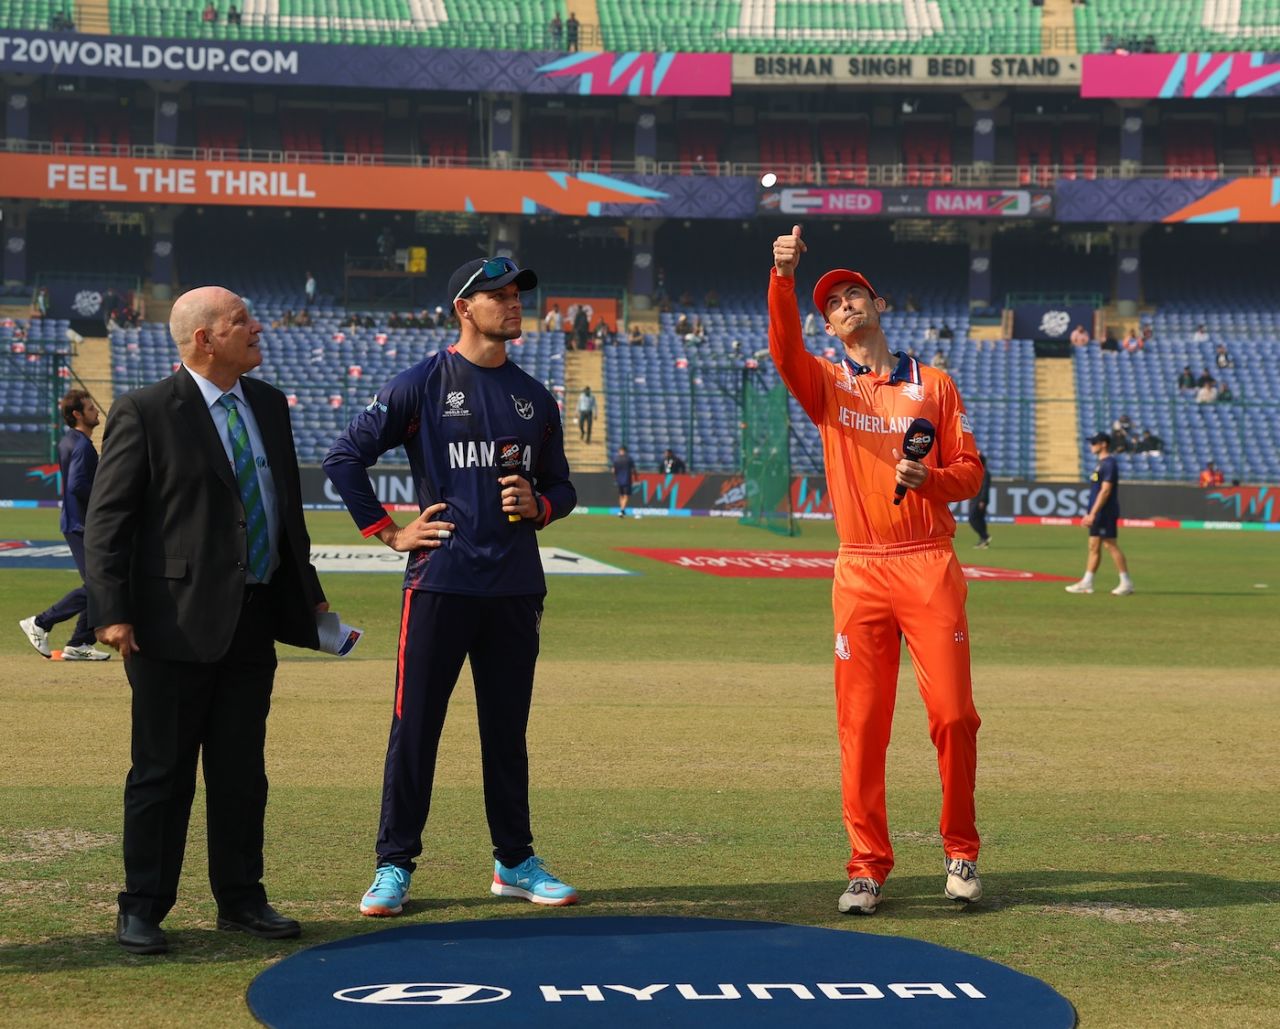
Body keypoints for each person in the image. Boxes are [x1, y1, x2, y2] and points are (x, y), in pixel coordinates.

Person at [323, 256, 579, 917]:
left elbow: (563, 485)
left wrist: (540, 504)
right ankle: (393, 864)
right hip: (439, 583)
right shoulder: (421, 383)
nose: (515, 302)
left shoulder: (535, 396)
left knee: (506, 730)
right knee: (416, 728)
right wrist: (389, 531)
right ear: (464, 307)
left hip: (515, 588)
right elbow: (344, 458)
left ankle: (515, 861)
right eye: (498, 294)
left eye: (518, 292)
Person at [84, 286, 328, 955]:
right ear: (204, 339)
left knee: (241, 771)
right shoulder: (146, 411)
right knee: (161, 772)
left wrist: (308, 592)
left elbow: (284, 514)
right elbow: (108, 523)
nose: (257, 327)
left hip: (253, 618)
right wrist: (112, 611)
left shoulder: (271, 405)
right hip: (171, 624)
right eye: (242, 320)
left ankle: (242, 898)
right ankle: (143, 905)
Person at [768, 224, 984, 916]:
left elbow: (971, 473)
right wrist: (783, 278)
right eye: (832, 303)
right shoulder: (828, 386)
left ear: (879, 304)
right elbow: (781, 348)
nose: (845, 305)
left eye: (854, 295)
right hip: (859, 569)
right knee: (861, 725)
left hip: (927, 564)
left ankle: (961, 850)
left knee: (953, 716)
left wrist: (929, 480)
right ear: (827, 326)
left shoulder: (936, 386)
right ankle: (866, 866)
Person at [18, 391, 111, 662]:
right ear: (77, 415)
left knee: (98, 583)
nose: (97, 411)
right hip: (83, 524)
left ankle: (80, 642)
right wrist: (106, 498)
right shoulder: (82, 446)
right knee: (99, 585)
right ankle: (41, 622)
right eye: (91, 408)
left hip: (76, 521)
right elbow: (78, 485)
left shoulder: (70, 441)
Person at [1065, 432, 1133, 597]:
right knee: (1094, 546)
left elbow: (1105, 490)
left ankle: (1126, 582)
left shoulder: (1109, 464)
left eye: (1094, 442)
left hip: (1105, 512)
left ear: (1103, 444)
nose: (1091, 445)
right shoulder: (1101, 464)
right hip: (1098, 512)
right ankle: (1087, 583)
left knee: (1110, 544)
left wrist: (1093, 513)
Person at [969, 450, 991, 549]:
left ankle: (985, 536)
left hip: (979, 500)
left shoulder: (985, 473)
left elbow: (985, 487)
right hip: (975, 498)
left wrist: (983, 500)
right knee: (979, 519)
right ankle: (984, 539)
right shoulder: (978, 471)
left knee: (972, 518)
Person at [612, 445, 636, 517]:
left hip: (619, 480)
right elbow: (633, 470)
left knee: (621, 495)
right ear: (625, 451)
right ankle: (622, 510)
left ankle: (622, 510)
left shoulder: (616, 459)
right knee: (626, 496)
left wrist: (615, 477)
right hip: (627, 480)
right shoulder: (629, 459)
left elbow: (613, 470)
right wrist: (635, 478)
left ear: (620, 451)